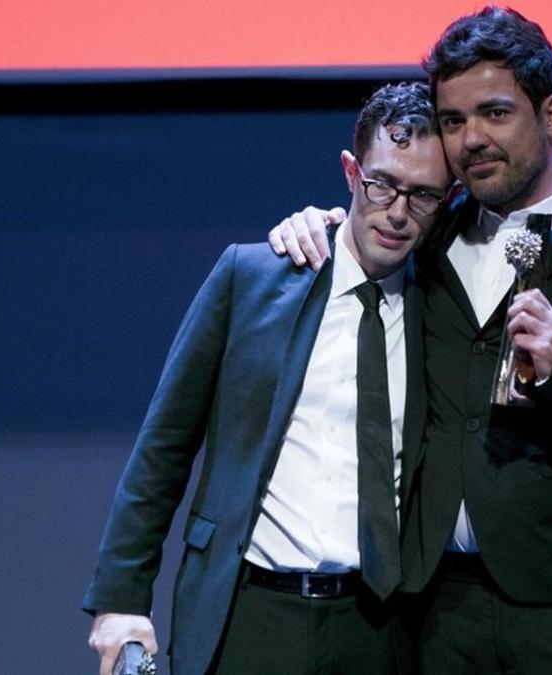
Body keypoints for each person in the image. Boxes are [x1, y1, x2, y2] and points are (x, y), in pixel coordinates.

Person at [270, 8, 552, 673]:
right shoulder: (432, 233)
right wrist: (317, 224)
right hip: (440, 609)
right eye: (454, 121)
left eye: (496, 114)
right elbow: (370, 224)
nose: (471, 138)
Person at [82, 82, 452, 675]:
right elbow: (164, 447)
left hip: (378, 628)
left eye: (424, 195)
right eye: (383, 184)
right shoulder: (253, 278)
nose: (399, 212)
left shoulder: (444, 309)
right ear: (352, 171)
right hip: (248, 617)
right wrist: (120, 602)